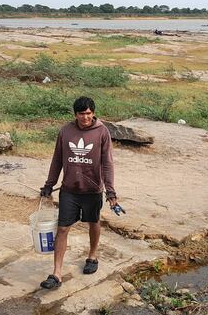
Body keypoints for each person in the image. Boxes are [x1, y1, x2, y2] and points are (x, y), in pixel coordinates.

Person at [38, 96, 118, 290]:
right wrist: (49, 184)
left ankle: (92, 256)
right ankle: (57, 273)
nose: (85, 117)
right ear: (75, 114)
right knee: (63, 228)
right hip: (69, 190)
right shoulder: (66, 131)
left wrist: (110, 192)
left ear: (93, 113)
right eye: (81, 114)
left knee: (94, 222)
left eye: (89, 113)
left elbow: (107, 163)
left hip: (92, 190)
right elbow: (57, 159)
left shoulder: (102, 132)